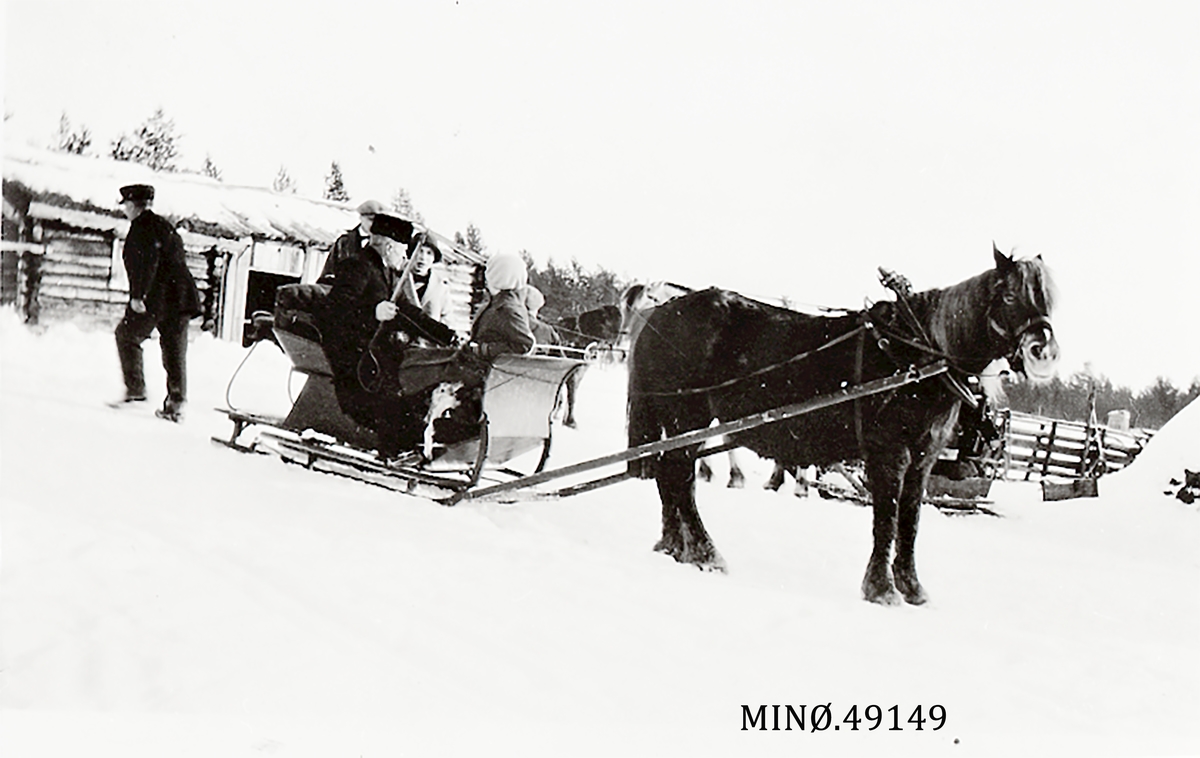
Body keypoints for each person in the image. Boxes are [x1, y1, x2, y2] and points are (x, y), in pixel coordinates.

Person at [315, 214, 458, 460]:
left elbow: (409, 314)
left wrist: (448, 336)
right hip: (354, 356)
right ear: (389, 246)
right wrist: (373, 313)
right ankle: (393, 450)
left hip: (378, 354)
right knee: (389, 401)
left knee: (409, 390)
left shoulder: (390, 273)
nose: (406, 257)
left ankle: (411, 444)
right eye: (405, 250)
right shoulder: (357, 266)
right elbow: (335, 311)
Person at [110, 184, 202, 422]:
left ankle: (136, 391)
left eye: (126, 206)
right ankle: (176, 403)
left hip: (158, 296)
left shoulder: (142, 227)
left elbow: (148, 261)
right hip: (179, 297)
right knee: (174, 350)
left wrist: (138, 296)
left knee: (126, 335)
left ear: (132, 205)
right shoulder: (164, 225)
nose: (125, 210)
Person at [467, 252, 535, 358]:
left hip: (488, 369)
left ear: (498, 276)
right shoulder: (496, 303)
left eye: (489, 272)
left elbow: (525, 344)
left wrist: (485, 349)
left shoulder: (507, 309)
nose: (485, 278)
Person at [317, 198, 389, 286]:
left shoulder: (387, 245)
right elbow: (327, 275)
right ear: (361, 217)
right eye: (371, 220)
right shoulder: (343, 243)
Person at [395, 238, 452, 325]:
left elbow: (447, 319)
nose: (423, 257)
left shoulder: (441, 287)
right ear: (411, 253)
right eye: (420, 251)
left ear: (434, 258)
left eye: (429, 253)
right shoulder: (397, 278)